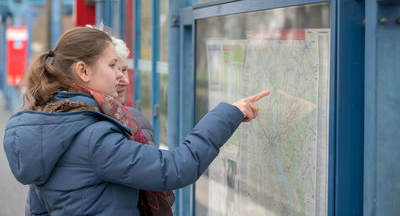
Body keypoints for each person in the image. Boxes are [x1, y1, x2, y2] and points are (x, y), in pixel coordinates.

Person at [3, 26, 270, 216]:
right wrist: (227, 114)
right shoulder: (92, 137)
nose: (121, 78)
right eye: (112, 66)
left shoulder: (52, 124)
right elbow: (176, 168)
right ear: (83, 71)